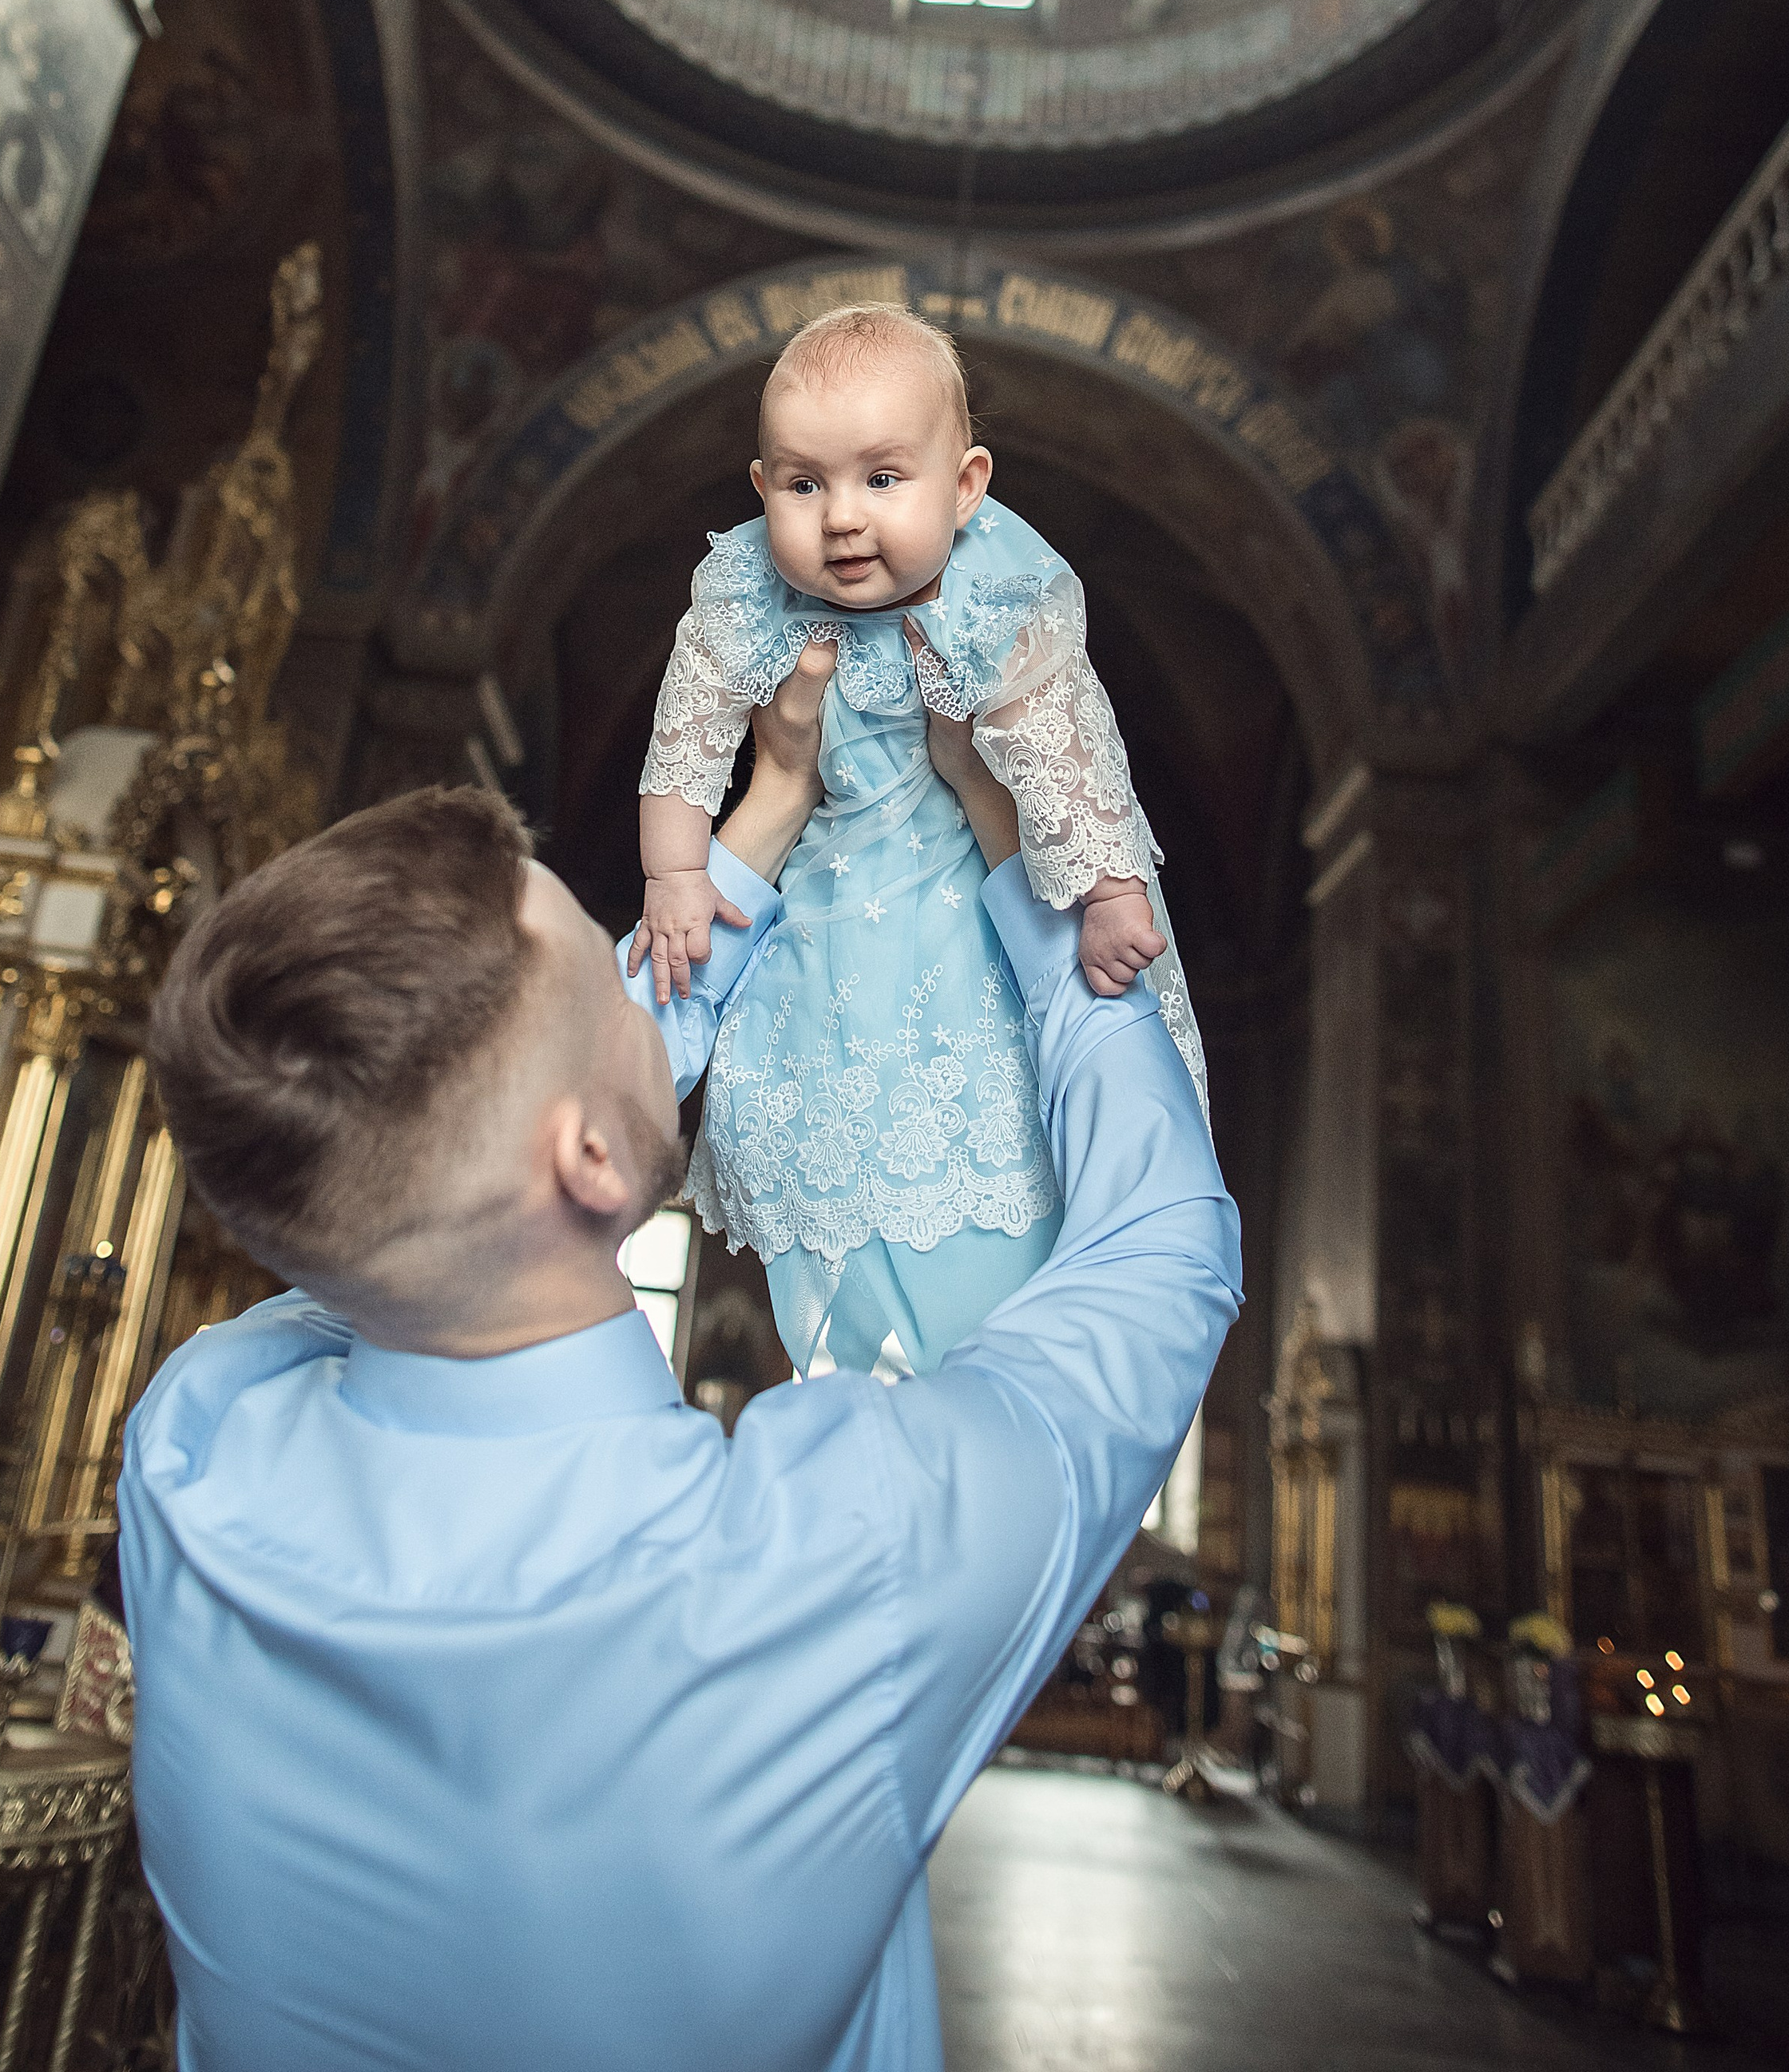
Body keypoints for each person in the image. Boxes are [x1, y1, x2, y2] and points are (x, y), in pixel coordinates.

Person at [119, 652, 1240, 2072]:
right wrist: (1027, 851)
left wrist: (770, 805)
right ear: (585, 1153)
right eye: (606, 963)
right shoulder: (826, 1556)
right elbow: (1162, 1251)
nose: (637, 966)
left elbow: (400, 1188)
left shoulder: (196, 1438)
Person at [634, 300, 1207, 1376]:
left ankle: (975, 1333)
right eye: (804, 486)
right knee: (830, 1103)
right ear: (761, 493)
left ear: (967, 485)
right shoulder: (744, 595)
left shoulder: (998, 586)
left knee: (984, 1095)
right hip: (827, 899)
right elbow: (685, 741)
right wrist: (674, 873)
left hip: (967, 892)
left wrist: (1111, 888)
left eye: (883, 480)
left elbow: (1066, 751)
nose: (843, 518)